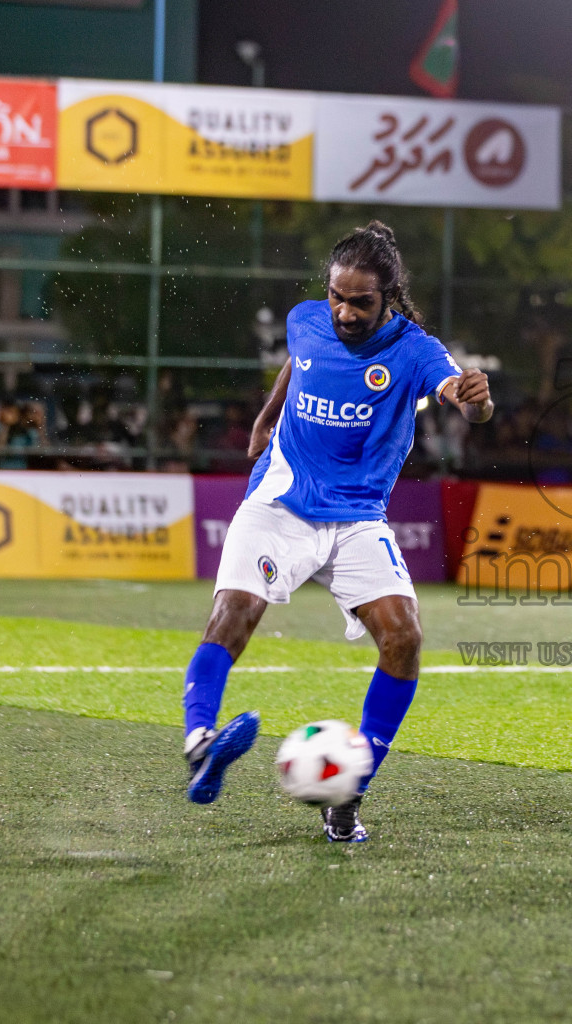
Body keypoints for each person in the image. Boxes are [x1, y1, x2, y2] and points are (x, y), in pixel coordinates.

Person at [180, 221, 492, 842]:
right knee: (234, 611)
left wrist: (476, 400)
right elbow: (296, 366)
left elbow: (459, 392)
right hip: (280, 501)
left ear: (389, 297)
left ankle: (348, 794)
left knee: (403, 637)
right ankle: (200, 741)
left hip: (357, 517)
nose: (345, 312)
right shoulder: (304, 318)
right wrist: (267, 419)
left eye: (361, 302)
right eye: (337, 298)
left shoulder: (415, 349)